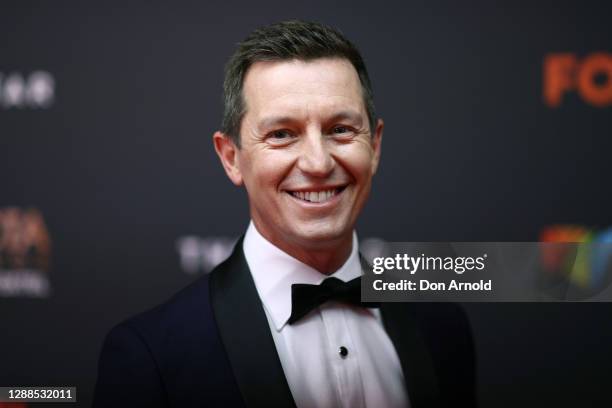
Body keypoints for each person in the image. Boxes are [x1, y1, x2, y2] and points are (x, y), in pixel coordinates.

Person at [93, 20, 476, 408]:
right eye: (281, 134)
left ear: (374, 146)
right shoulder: (151, 357)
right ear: (231, 158)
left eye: (341, 129)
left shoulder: (441, 327)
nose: (317, 162)